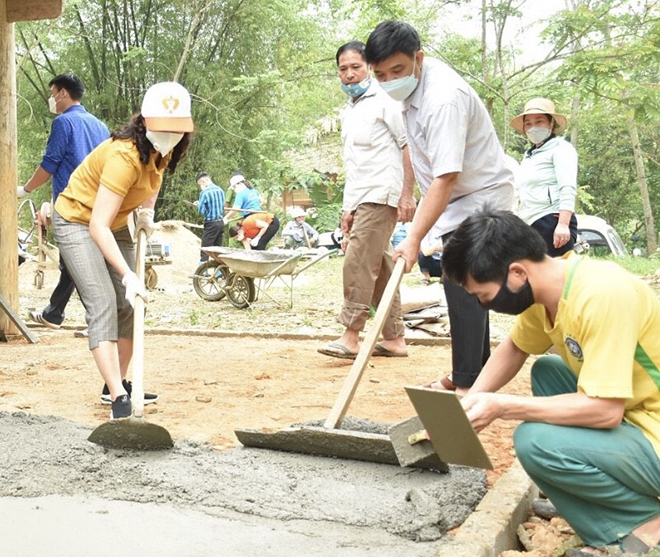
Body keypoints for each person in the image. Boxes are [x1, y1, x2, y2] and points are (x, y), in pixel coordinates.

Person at [441, 206, 660, 557]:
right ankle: (604, 501)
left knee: (534, 441)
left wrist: (502, 406)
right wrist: (470, 402)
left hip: (652, 427)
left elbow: (605, 411)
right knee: (548, 372)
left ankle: (645, 523)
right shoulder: (544, 293)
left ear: (516, 272)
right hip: (639, 414)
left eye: (483, 294)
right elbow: (514, 347)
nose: (482, 305)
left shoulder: (602, 294)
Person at [365, 21, 514, 385]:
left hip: (480, 196)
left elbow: (447, 176)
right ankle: (471, 373)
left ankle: (467, 381)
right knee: (467, 285)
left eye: (397, 70)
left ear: (419, 58)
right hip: (456, 198)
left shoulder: (443, 98)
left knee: (461, 281)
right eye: (380, 74)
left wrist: (413, 238)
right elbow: (427, 161)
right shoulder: (409, 94)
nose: (389, 80)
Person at [52, 81, 193, 419]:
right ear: (145, 121)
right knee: (103, 302)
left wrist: (146, 213)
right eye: (164, 127)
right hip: (77, 221)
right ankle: (119, 398)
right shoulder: (123, 156)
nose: (171, 135)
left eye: (177, 129)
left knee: (131, 305)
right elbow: (96, 226)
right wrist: (128, 274)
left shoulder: (165, 146)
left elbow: (153, 181)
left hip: (115, 223)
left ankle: (116, 382)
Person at [317, 40, 415, 360]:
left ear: (369, 67)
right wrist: (347, 209)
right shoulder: (350, 110)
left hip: (383, 193)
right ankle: (395, 337)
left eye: (355, 67)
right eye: (343, 69)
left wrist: (407, 194)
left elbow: (408, 146)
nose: (349, 74)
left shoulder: (386, 100)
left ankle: (351, 334)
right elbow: (354, 165)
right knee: (380, 264)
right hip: (361, 198)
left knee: (358, 260)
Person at [17, 73, 110, 331]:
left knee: (76, 261)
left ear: (63, 93)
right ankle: (55, 313)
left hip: (71, 206)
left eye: (53, 93)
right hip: (98, 204)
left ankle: (98, 320)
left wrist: (25, 189)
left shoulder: (63, 123)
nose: (51, 99)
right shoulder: (100, 126)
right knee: (77, 261)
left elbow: (50, 164)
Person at [510, 98, 578, 256]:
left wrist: (562, 224)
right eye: (528, 123)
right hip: (529, 222)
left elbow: (567, 188)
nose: (533, 127)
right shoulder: (529, 156)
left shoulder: (561, 149)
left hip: (551, 220)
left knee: (552, 275)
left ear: (551, 123)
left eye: (539, 121)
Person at [194, 171, 226, 263]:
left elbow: (202, 211)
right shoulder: (220, 190)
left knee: (205, 249)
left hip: (211, 223)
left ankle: (202, 272)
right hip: (220, 222)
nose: (201, 187)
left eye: (200, 184)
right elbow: (222, 206)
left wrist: (199, 205)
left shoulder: (204, 193)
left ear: (203, 181)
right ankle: (220, 272)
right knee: (217, 250)